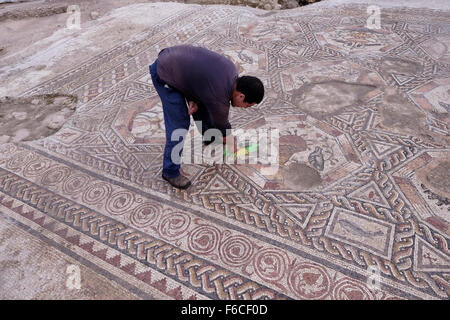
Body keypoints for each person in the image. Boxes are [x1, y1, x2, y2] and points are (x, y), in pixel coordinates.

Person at [149, 45, 264, 189]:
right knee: (179, 124)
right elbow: (222, 123)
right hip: (164, 72)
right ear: (241, 96)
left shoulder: (231, 72)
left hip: (176, 62)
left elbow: (203, 82)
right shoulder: (220, 96)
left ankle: (210, 136)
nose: (244, 108)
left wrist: (193, 97)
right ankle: (170, 171)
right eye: (247, 105)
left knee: (204, 106)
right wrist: (231, 144)